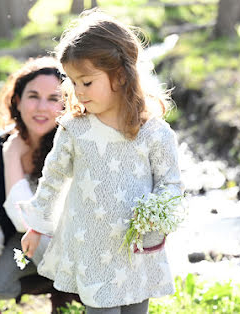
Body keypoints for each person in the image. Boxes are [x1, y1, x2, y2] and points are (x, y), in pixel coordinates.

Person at [18, 10, 183, 314]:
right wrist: (37, 226)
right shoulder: (74, 129)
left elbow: (170, 183)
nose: (78, 92)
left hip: (136, 252)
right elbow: (53, 177)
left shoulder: (154, 132)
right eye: (73, 82)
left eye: (87, 82)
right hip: (93, 249)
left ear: (120, 76)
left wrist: (157, 218)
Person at [0, 56, 80, 314]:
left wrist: (12, 157)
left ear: (68, 102)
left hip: (71, 245)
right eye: (33, 96)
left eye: (54, 98)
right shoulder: (0, 147)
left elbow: (31, 221)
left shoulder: (73, 142)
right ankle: (54, 287)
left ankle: (71, 296)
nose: (42, 108)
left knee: (43, 239)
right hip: (28, 240)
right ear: (17, 100)